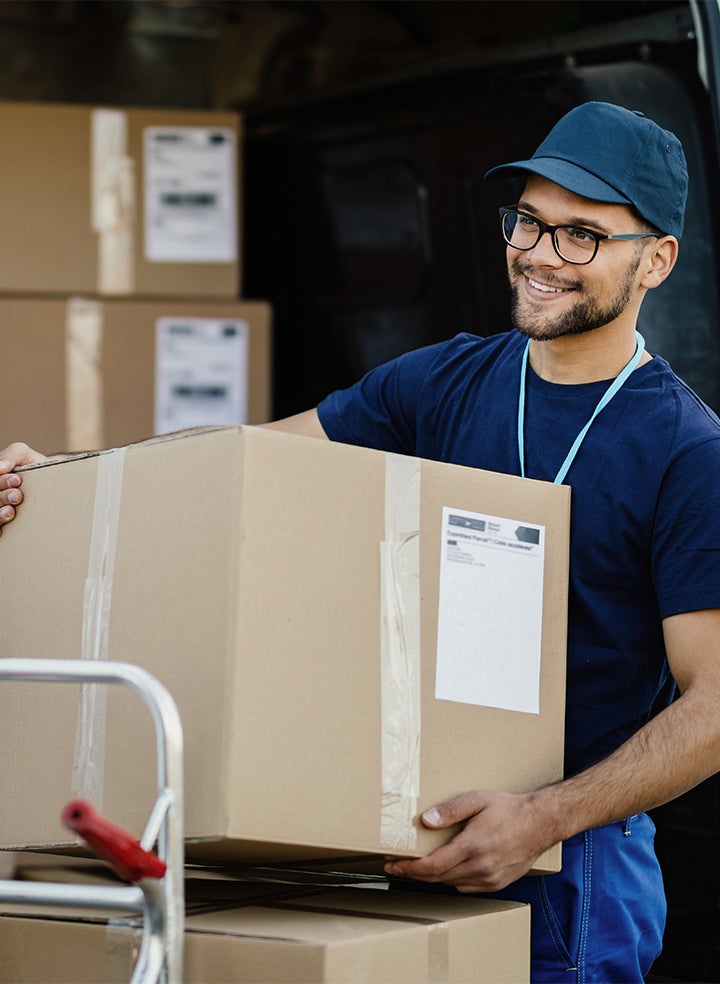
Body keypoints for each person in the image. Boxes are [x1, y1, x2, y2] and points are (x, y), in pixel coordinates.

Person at [3, 101, 720, 982]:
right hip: (408, 835)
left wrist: (546, 817)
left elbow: (714, 704)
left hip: (572, 869)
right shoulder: (446, 378)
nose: (539, 255)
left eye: (582, 236)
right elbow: (248, 458)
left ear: (657, 259)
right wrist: (65, 471)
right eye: (529, 221)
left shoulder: (689, 453)